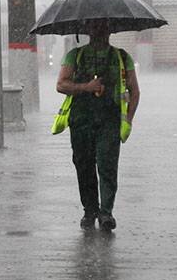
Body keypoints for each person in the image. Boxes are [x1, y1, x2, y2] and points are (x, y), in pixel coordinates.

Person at [56, 19, 140, 230]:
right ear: (87, 31)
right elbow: (61, 84)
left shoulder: (122, 58)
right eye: (95, 28)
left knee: (107, 165)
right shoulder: (75, 56)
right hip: (81, 119)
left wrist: (128, 119)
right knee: (83, 165)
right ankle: (89, 210)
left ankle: (106, 213)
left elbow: (134, 90)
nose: (99, 33)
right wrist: (87, 86)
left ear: (110, 31)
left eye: (103, 28)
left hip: (109, 120)